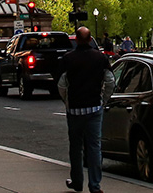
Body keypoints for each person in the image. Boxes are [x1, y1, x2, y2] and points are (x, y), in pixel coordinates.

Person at [58, 27, 115, 193]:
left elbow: (61, 84)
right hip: (94, 108)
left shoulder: (68, 59)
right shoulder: (100, 58)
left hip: (75, 110)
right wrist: (103, 100)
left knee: (75, 147)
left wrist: (67, 102)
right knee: (94, 147)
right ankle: (95, 185)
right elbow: (110, 81)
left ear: (76, 39)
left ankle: (77, 181)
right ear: (90, 39)